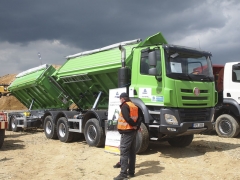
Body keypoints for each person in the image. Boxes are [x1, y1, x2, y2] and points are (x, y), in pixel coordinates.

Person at [113, 92, 140, 180]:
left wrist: (134, 125)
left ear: (122, 99)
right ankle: (131, 172)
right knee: (132, 152)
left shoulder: (125, 106)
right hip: (133, 132)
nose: (120, 101)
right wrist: (137, 126)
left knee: (124, 151)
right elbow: (140, 118)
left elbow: (127, 118)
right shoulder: (134, 105)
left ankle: (123, 174)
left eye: (120, 99)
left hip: (127, 131)